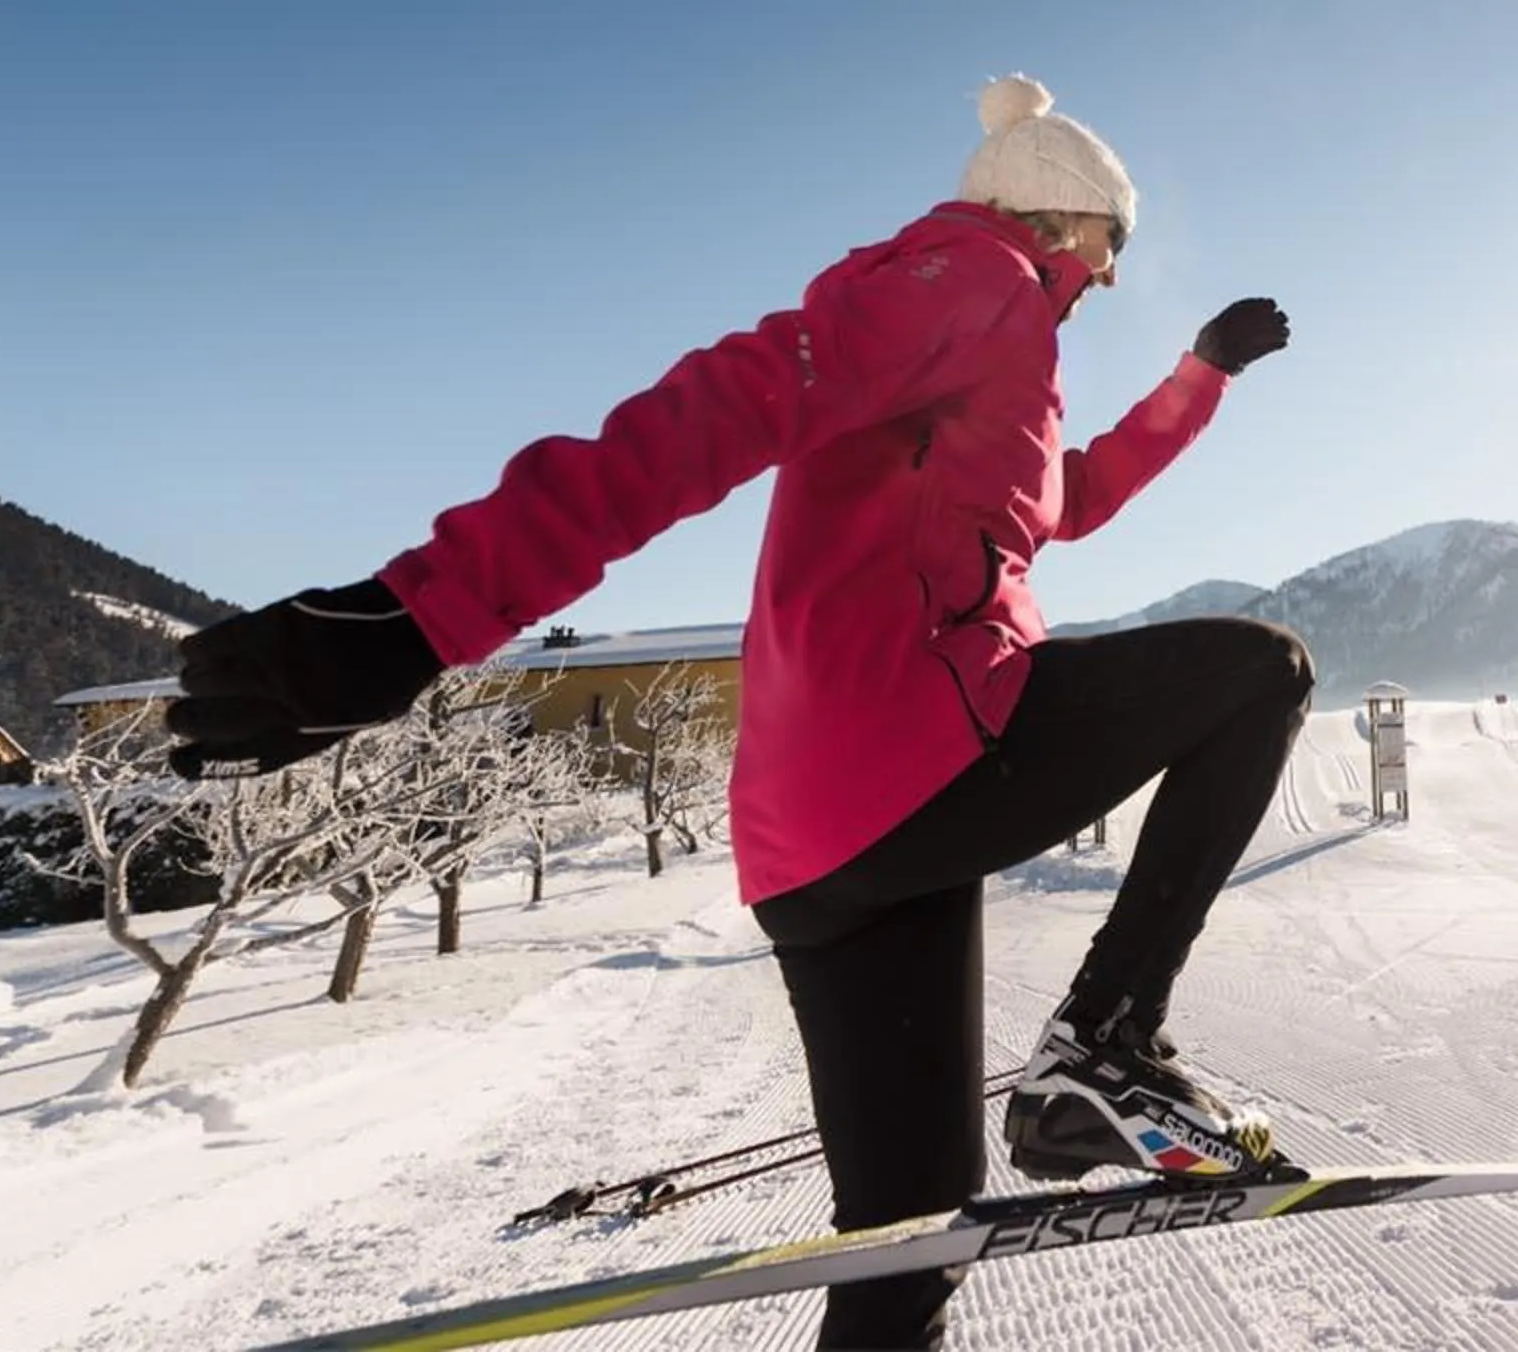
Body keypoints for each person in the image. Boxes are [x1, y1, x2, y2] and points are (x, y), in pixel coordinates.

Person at [165, 75, 1314, 1349]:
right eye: (1112, 241)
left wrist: (1198, 378)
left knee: (909, 1240)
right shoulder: (971, 277)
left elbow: (1067, 496)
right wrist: (425, 613)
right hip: (919, 750)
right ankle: (1106, 1040)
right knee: (1260, 670)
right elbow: (727, 403)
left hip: (819, 842)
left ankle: (1076, 1080)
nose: (1111, 272)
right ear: (1061, 214)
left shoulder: (990, 344)